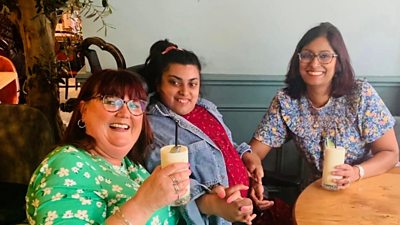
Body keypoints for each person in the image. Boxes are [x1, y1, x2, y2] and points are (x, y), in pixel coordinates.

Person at [25, 69, 191, 225]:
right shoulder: (67, 165)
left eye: (134, 105)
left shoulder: (130, 166)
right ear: (83, 110)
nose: (125, 113)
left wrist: (211, 203)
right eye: (111, 101)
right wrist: (143, 205)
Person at [248, 22, 399, 190]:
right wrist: (254, 177)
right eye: (306, 55)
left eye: (325, 56)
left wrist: (357, 172)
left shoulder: (361, 94)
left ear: (339, 61)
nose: (314, 63)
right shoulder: (287, 101)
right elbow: (254, 152)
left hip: (367, 183)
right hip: (317, 190)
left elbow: (390, 153)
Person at [142, 40, 268, 225]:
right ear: (158, 83)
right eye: (175, 82)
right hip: (219, 218)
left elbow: (225, 146)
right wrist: (219, 206)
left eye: (192, 84)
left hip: (251, 206)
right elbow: (175, 185)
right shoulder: (152, 126)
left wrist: (247, 155)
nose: (185, 92)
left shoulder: (206, 108)